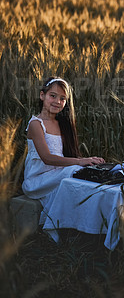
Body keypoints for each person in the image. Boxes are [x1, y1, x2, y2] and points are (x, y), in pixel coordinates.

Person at [22, 76, 105, 222]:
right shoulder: (36, 124)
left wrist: (87, 161)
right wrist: (80, 161)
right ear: (42, 95)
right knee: (73, 170)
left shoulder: (62, 124)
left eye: (62, 98)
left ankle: (90, 217)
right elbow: (47, 158)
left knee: (82, 174)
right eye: (52, 96)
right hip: (37, 180)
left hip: (56, 175)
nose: (57, 101)